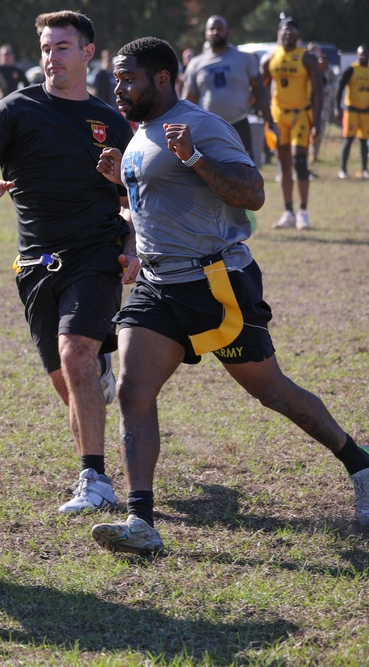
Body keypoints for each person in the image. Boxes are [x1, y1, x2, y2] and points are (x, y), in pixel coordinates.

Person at [92, 36, 369, 556]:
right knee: (133, 390)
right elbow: (153, 209)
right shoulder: (137, 135)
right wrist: (120, 186)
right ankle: (141, 522)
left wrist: (195, 157)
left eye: (129, 78)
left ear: (163, 78)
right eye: (116, 79)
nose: (119, 88)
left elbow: (254, 193)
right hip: (157, 286)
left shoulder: (203, 126)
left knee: (273, 393)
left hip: (214, 284)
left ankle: (360, 462)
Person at [0, 10, 137, 514]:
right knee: (67, 376)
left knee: (75, 354)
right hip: (36, 264)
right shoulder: (16, 109)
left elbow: (136, 195)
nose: (51, 57)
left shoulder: (110, 121)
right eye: (45, 47)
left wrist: (134, 244)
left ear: (86, 53)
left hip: (97, 252)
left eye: (61, 47)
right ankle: (96, 393)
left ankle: (95, 480)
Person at [181, 15, 275, 164]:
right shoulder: (196, 64)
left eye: (219, 28)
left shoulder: (245, 58)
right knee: (211, 172)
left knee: (244, 173)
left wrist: (270, 119)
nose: (215, 32)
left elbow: (259, 90)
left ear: (227, 32)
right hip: (209, 126)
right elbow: (188, 99)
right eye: (211, 29)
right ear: (205, 33)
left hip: (239, 124)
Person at [261, 17, 322, 230]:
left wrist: (318, 119)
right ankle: (288, 212)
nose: (288, 33)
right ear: (278, 34)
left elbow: (318, 91)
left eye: (292, 30)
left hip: (300, 116)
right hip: (279, 117)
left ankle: (303, 212)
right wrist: (263, 113)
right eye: (285, 30)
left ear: (298, 35)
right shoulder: (270, 59)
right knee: (284, 164)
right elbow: (260, 87)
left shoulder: (307, 58)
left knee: (300, 162)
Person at [336, 45, 369, 179]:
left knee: (364, 141)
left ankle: (364, 169)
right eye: (361, 54)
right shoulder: (351, 69)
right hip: (352, 111)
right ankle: (343, 169)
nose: (363, 57)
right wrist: (337, 106)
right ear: (357, 55)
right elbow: (340, 87)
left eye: (365, 54)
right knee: (348, 140)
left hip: (366, 112)